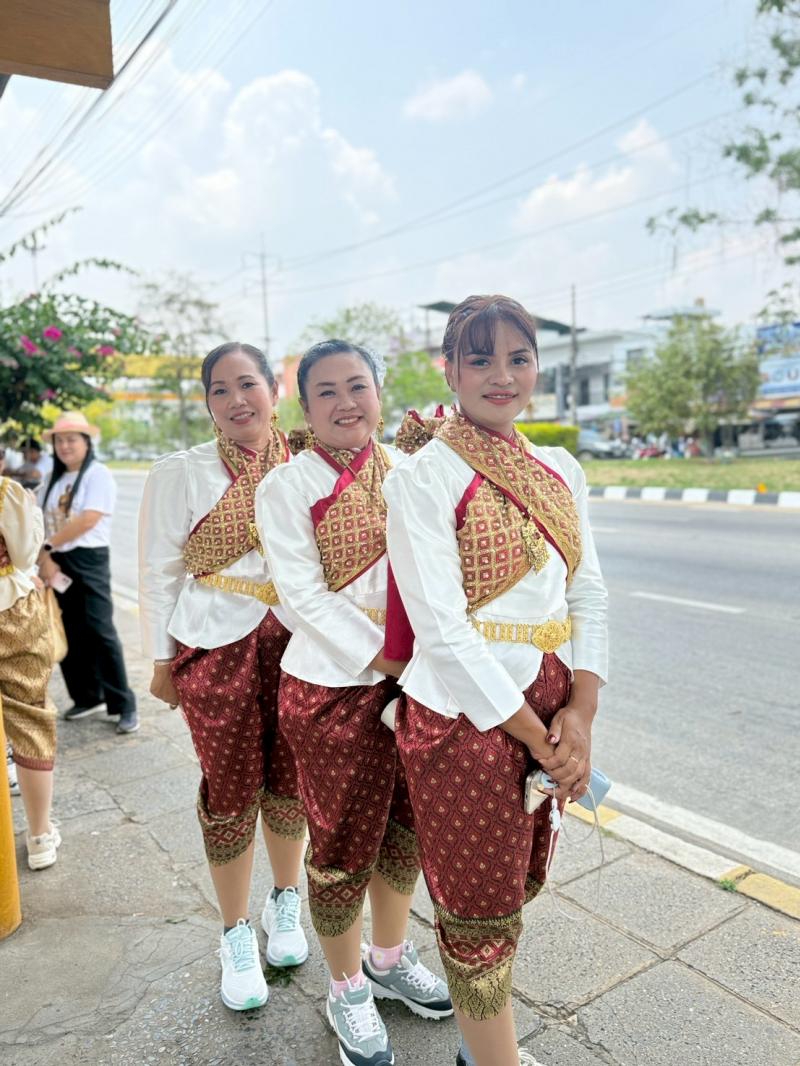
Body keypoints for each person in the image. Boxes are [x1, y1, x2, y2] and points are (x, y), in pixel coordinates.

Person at [382, 295, 608, 1066]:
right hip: (463, 718)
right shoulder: (423, 478)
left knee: (514, 885)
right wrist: (542, 740)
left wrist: (581, 712)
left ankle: (482, 1051)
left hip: (551, 703)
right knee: (478, 908)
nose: (501, 375)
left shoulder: (562, 470)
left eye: (518, 358)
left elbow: (587, 593)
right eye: (480, 359)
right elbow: (443, 632)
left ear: (538, 368)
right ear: (450, 370)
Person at [257, 340, 452, 1066]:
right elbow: (301, 595)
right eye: (328, 392)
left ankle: (388, 957)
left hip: (419, 685)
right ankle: (345, 989)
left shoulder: (410, 471)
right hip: (334, 689)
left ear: (379, 392)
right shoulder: (286, 486)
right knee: (341, 848)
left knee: (405, 831)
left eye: (358, 386)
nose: (346, 403)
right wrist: (386, 655)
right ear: (304, 408)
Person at [138, 342, 309, 1013]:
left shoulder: (304, 462)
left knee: (291, 782)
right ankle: (235, 931)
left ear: (274, 389)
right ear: (208, 402)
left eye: (248, 384)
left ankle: (285, 902)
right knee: (231, 789)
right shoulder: (182, 472)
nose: (237, 400)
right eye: (220, 390)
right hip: (215, 646)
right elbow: (159, 571)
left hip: (298, 645)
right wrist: (160, 659)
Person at [38, 412, 139, 734]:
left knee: (99, 629)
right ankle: (86, 696)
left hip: (88, 559)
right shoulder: (50, 479)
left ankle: (124, 703)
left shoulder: (98, 474)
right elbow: (39, 521)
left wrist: (48, 547)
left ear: (86, 442)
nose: (65, 446)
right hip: (56, 560)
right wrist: (45, 557)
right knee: (69, 630)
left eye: (71, 439)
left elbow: (88, 519)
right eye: (59, 441)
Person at [0, 464, 60, 869]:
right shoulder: (7, 493)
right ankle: (39, 835)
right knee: (30, 718)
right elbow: (23, 555)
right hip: (9, 610)